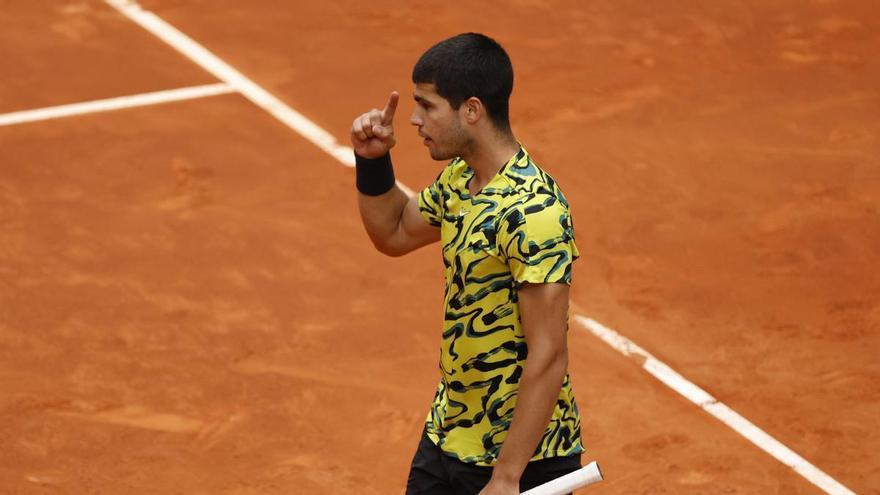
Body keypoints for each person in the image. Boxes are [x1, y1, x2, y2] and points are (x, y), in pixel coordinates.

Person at [351, 33, 583, 495]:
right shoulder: (462, 178)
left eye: (428, 106)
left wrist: (506, 476)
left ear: (471, 110)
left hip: (523, 455)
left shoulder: (533, 212)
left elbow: (548, 353)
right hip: (449, 433)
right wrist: (373, 162)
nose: (415, 120)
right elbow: (393, 233)